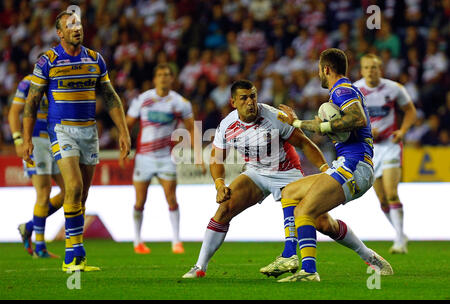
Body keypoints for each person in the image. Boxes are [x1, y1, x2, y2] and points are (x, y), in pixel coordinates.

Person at [182, 79, 391, 279]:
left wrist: (326, 170)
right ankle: (200, 266)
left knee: (324, 223)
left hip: (287, 174)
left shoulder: (274, 117)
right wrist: (219, 184)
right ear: (233, 102)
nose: (250, 102)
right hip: (256, 173)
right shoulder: (227, 125)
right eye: (244, 98)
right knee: (225, 208)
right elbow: (217, 158)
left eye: (253, 97)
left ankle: (368, 255)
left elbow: (305, 144)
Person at [22, 10, 131, 272]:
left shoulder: (95, 59)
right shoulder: (47, 60)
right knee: (72, 186)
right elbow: (32, 101)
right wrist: (25, 138)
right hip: (61, 131)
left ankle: (75, 257)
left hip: (88, 132)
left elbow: (110, 96)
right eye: (70, 25)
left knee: (81, 197)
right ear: (60, 33)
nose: (76, 28)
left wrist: (124, 132)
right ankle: (73, 256)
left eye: (79, 24)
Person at [276, 48, 393, 282]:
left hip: (354, 165)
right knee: (293, 196)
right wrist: (296, 122)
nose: (318, 73)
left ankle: (308, 270)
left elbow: (356, 118)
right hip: (349, 164)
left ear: (326, 69)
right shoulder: (343, 92)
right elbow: (321, 125)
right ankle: (368, 256)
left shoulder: (341, 90)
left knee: (303, 211)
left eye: (319, 69)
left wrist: (326, 127)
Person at [124, 63, 205, 255]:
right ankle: (137, 241)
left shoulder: (180, 103)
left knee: (171, 197)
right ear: (155, 79)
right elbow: (127, 125)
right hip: (143, 157)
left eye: (167, 75)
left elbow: (191, 128)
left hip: (165, 158)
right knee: (140, 201)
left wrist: (199, 156)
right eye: (160, 75)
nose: (163, 78)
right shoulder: (143, 99)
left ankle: (176, 241)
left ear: (172, 79)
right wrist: (124, 149)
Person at [354, 53, 417, 253]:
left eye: (374, 67)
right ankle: (400, 233)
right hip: (369, 149)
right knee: (381, 200)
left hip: (390, 145)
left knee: (391, 193)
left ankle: (399, 239)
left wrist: (403, 131)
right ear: (361, 70)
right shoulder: (355, 90)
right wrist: (363, 130)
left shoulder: (394, 88)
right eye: (367, 67)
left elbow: (410, 111)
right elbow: (349, 119)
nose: (371, 71)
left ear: (380, 69)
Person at [8, 70, 65, 258]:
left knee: (71, 191)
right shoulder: (28, 82)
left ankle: (30, 226)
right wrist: (18, 140)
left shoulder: (59, 83)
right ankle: (40, 247)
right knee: (44, 191)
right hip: (35, 141)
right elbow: (14, 112)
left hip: (56, 139)